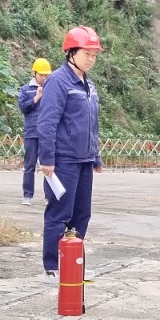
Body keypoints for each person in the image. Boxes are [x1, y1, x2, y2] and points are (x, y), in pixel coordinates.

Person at [35, 27, 104, 281]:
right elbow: (47, 122)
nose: (91, 59)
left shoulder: (89, 84)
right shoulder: (58, 81)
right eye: (87, 54)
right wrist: (47, 157)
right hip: (63, 161)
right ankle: (53, 265)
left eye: (94, 55)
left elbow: (92, 123)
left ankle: (73, 263)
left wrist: (95, 155)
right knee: (59, 213)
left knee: (82, 214)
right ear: (71, 52)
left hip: (84, 160)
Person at [17, 58, 51, 205]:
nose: (43, 78)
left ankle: (49, 196)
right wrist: (36, 98)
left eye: (46, 75)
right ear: (34, 73)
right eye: (41, 75)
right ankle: (27, 195)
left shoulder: (52, 88)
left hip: (48, 133)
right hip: (31, 132)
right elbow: (23, 108)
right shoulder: (26, 89)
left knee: (48, 164)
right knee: (29, 165)